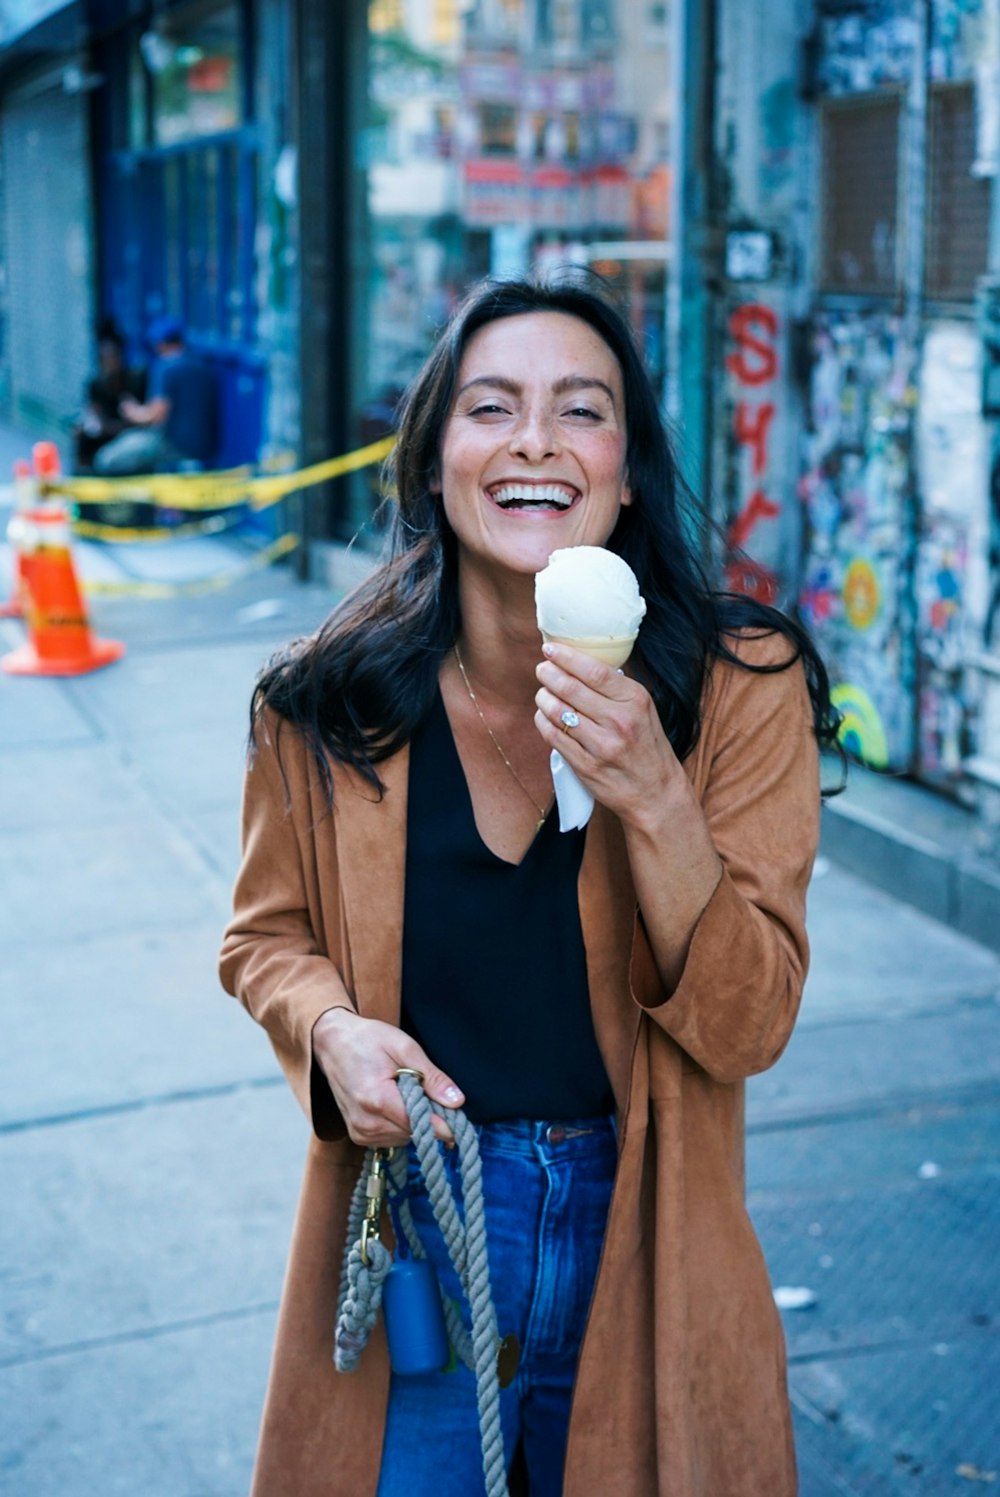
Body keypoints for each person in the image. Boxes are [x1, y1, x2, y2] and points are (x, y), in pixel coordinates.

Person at [219, 271, 842, 1497]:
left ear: (625, 465)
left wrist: (655, 796)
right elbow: (263, 939)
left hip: (644, 1221)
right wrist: (330, 1031)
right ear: (436, 455)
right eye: (490, 407)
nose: (536, 444)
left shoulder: (738, 688)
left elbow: (749, 1020)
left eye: (582, 410)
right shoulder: (327, 701)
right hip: (423, 1227)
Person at [92, 316, 218, 476]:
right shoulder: (202, 366)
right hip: (207, 446)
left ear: (160, 344)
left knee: (106, 460)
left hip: (174, 445)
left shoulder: (165, 368)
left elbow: (156, 416)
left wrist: (133, 411)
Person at [72, 320, 147, 473]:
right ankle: (84, 478)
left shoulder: (135, 380)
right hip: (107, 428)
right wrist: (95, 425)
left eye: (113, 358)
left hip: (129, 430)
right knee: (81, 435)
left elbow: (141, 415)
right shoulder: (96, 384)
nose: (110, 364)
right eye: (106, 360)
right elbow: (94, 412)